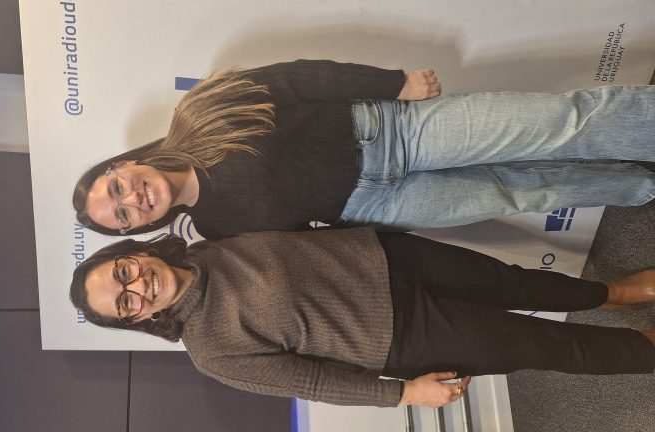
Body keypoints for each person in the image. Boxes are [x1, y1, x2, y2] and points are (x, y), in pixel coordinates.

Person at [69, 228, 655, 407]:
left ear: (134, 253)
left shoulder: (208, 244)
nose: (137, 288)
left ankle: (617, 293)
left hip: (391, 257)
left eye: (124, 273)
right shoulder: (211, 350)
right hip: (402, 335)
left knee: (514, 282)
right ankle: (647, 350)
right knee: (546, 346)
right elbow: (312, 381)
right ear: (136, 320)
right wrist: (404, 394)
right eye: (125, 303)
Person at [72, 59, 655, 239]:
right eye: (121, 216)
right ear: (133, 228)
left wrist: (392, 84)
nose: (132, 199)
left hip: (392, 133)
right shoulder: (213, 229)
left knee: (558, 122)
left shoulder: (200, 111)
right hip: (380, 206)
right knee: (524, 191)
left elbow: (299, 78)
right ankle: (641, 186)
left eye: (116, 188)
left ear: (123, 164)